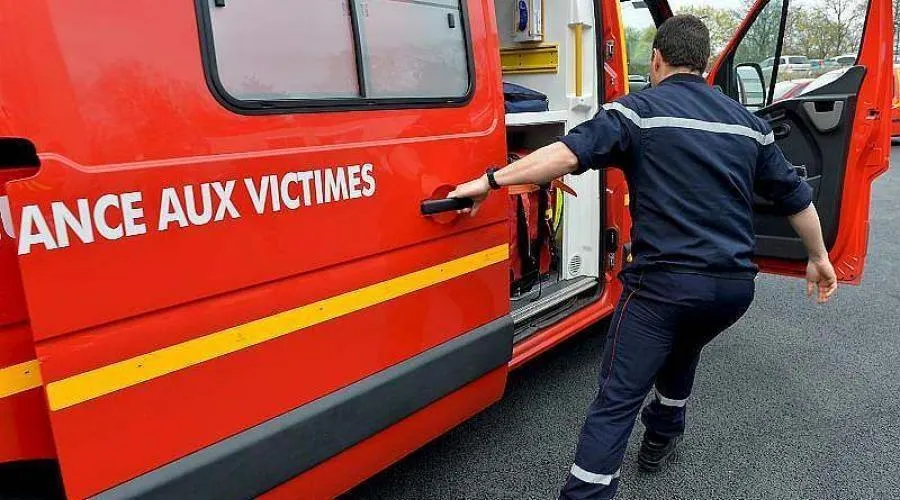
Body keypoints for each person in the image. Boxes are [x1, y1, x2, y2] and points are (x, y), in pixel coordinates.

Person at [448, 14, 838, 500]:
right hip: (733, 290)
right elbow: (797, 199)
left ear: (656, 59)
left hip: (663, 288)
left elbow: (565, 155)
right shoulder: (749, 126)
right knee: (686, 342)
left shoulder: (637, 113)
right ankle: (663, 435)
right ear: (704, 63)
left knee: (616, 400)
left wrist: (488, 182)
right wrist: (819, 257)